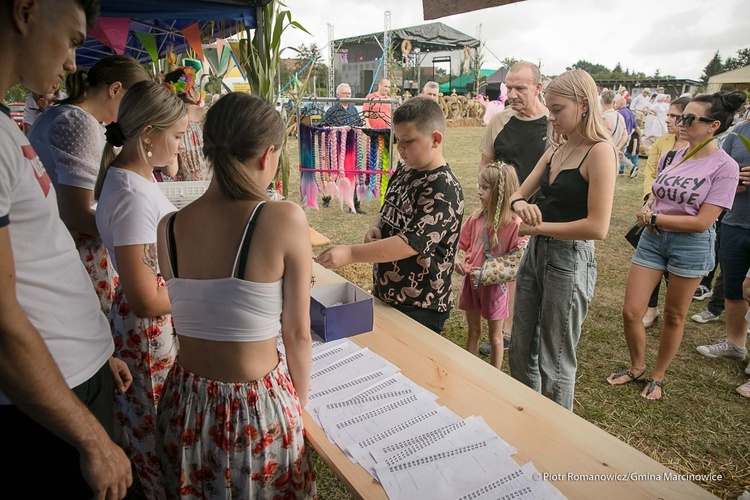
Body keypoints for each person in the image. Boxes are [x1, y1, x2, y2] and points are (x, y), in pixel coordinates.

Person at [0, 0, 134, 498]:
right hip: (52, 400)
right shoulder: (70, 122)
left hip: (73, 374)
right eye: (74, 40)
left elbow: (40, 258)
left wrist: (96, 350)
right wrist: (94, 442)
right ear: (26, 10)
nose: (74, 64)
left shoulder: (7, 128)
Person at [154, 92, 317, 499]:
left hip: (183, 404)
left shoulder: (168, 226)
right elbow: (297, 332)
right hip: (254, 412)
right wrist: (300, 406)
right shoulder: (282, 218)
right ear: (268, 155)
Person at [607, 91, 745, 400]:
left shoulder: (725, 167)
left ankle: (657, 376)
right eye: (681, 116)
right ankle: (637, 366)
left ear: (713, 125)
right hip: (653, 241)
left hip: (690, 246)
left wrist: (654, 218)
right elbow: (658, 194)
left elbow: (702, 222)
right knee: (631, 311)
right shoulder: (673, 155)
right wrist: (649, 209)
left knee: (674, 316)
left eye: (689, 118)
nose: (681, 122)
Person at [94, 80, 188, 498]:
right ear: (149, 134)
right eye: (178, 136)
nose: (182, 146)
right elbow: (146, 297)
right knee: (157, 437)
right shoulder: (132, 195)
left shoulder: (135, 179)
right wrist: (199, 293)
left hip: (150, 331)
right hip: (148, 336)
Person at [508, 69, 617, 411]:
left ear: (583, 105)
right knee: (521, 346)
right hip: (538, 254)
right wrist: (522, 205)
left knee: (555, 361)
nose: (550, 117)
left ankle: (556, 436)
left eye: (557, 110)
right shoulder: (559, 147)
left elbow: (597, 227)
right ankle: (527, 417)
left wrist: (538, 227)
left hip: (569, 261)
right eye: (549, 109)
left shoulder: (599, 152)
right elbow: (518, 195)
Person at [316, 97, 464, 334]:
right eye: (398, 141)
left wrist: (351, 253)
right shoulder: (405, 169)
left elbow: (411, 244)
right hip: (388, 293)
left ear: (435, 140)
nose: (400, 148)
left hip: (421, 306)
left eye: (408, 141)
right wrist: (377, 225)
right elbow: (388, 206)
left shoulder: (442, 189)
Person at [28, 54, 149, 316]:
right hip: (77, 254)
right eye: (133, 102)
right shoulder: (78, 122)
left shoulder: (63, 115)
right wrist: (134, 236)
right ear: (115, 89)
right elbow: (76, 214)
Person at [477, 61, 549, 355]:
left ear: (538, 88)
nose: (512, 94)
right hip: (504, 214)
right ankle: (505, 331)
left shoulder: (552, 124)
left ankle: (532, 330)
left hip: (542, 216)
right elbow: (486, 163)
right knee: (508, 270)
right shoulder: (500, 121)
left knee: (537, 274)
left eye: (521, 88)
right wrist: (486, 203)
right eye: (509, 87)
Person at [695, 115, 750, 396]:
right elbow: (717, 170)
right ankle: (735, 344)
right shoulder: (739, 132)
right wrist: (735, 182)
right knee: (733, 286)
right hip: (734, 221)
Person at [456, 162, 528, 369]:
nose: (479, 191)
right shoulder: (476, 218)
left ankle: (494, 377)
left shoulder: (515, 224)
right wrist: (456, 258)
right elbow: (459, 244)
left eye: (485, 188)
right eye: (479, 186)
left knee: (496, 338)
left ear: (501, 191)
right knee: (473, 330)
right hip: (471, 282)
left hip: (495, 288)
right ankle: (469, 370)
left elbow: (519, 257)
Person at [639, 96, 691, 329]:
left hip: (683, 219)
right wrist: (649, 199)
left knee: (675, 268)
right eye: (668, 115)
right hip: (654, 209)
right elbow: (651, 171)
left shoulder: (699, 147)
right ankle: (651, 307)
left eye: (674, 116)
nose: (668, 120)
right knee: (652, 264)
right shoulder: (663, 142)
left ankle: (675, 311)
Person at [321, 82, 366, 212]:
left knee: (352, 175)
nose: (347, 95)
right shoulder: (332, 110)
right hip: (336, 147)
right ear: (338, 94)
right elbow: (324, 129)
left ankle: (354, 205)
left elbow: (358, 126)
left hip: (351, 147)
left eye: (349, 93)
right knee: (333, 174)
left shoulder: (353, 109)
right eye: (345, 93)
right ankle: (327, 198)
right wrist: (324, 150)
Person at [161, 66, 209, 181]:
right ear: (190, 92)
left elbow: (170, 171)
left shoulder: (167, 121)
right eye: (195, 87)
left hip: (180, 191)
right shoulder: (212, 116)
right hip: (210, 187)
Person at [600, 90, 629, 174]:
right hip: (613, 152)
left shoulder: (600, 117)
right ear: (614, 102)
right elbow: (625, 134)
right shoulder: (620, 117)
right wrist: (618, 147)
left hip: (601, 153)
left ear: (601, 101)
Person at [614, 96, 640, 177]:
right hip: (627, 136)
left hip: (620, 136)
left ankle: (631, 167)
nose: (615, 105)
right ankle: (620, 170)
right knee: (619, 154)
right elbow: (636, 127)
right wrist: (640, 137)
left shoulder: (620, 113)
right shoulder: (630, 113)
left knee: (617, 154)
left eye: (616, 103)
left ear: (621, 103)